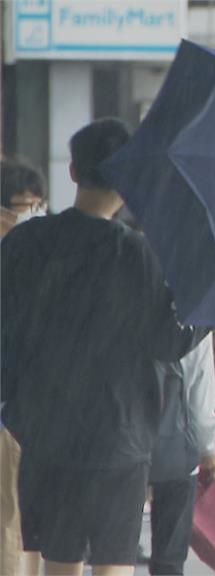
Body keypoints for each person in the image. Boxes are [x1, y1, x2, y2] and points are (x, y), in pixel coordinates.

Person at [1, 118, 206, 576]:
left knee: (58, 559)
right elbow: (167, 343)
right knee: (114, 563)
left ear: (72, 172)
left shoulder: (24, 243)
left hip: (43, 430)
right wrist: (205, 309)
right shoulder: (139, 255)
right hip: (119, 436)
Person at [0, 156, 48, 576]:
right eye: (21, 204)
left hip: (32, 407)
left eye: (38, 203)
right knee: (11, 521)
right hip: (10, 410)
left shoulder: (38, 254)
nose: (30, 212)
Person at [147, 334, 215, 575]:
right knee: (169, 560)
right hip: (177, 450)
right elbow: (201, 393)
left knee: (115, 553)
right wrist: (208, 448)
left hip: (123, 445)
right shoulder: (194, 322)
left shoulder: (124, 307)